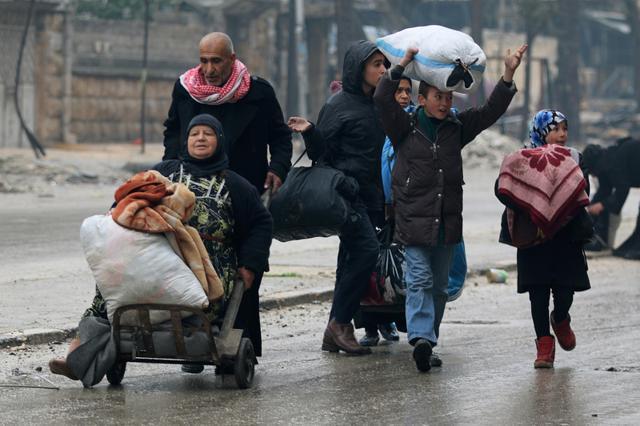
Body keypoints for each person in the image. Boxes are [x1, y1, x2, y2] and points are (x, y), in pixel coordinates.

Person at [49, 114, 273, 380]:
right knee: (105, 295)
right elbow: (126, 202)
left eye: (208, 134)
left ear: (220, 141)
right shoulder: (165, 171)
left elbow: (262, 223)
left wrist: (250, 266)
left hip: (207, 268)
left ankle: (193, 343)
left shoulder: (235, 185)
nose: (200, 138)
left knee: (193, 300)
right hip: (155, 257)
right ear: (186, 140)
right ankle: (75, 356)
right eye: (194, 134)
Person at [373, 45, 526, 372]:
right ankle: (420, 338)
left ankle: (428, 339)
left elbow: (489, 112)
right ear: (422, 98)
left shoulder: (456, 128)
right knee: (418, 280)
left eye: (448, 98)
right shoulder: (404, 128)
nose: (444, 103)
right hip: (413, 223)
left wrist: (508, 74)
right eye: (437, 97)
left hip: (446, 223)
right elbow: (382, 99)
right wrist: (401, 65)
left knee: (440, 286)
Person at [287, 40, 389, 355]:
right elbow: (322, 155)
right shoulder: (338, 105)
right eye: (376, 64)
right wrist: (310, 132)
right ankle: (341, 323)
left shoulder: (381, 104)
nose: (383, 70)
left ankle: (335, 328)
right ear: (358, 68)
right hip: (346, 195)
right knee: (365, 251)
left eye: (385, 64)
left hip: (374, 196)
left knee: (349, 260)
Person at [495, 110, 592, 369]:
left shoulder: (574, 158)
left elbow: (585, 191)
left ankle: (560, 318)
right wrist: (533, 205)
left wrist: (559, 204)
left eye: (564, 128)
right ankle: (544, 344)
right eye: (555, 129)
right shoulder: (522, 159)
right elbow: (502, 189)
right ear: (540, 131)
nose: (562, 134)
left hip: (566, 236)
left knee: (565, 291)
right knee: (537, 293)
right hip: (533, 238)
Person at [162, 32, 292, 196]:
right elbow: (173, 132)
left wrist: (278, 168)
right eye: (204, 61)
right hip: (193, 186)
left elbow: (280, 136)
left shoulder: (259, 93)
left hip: (246, 187)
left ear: (232, 59)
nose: (209, 70)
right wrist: (170, 169)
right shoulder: (186, 90)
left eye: (216, 61)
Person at [358, 77, 414, 348]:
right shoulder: (374, 119)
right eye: (398, 90)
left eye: (407, 91)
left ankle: (393, 321)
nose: (403, 96)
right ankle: (369, 325)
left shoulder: (415, 122)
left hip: (404, 206)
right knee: (372, 269)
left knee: (399, 270)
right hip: (373, 202)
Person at [582, 137, 640, 259]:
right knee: (623, 251)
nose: (592, 175)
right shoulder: (605, 162)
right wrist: (590, 207)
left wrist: (602, 205)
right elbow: (604, 191)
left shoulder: (613, 163)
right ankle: (600, 239)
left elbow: (622, 189)